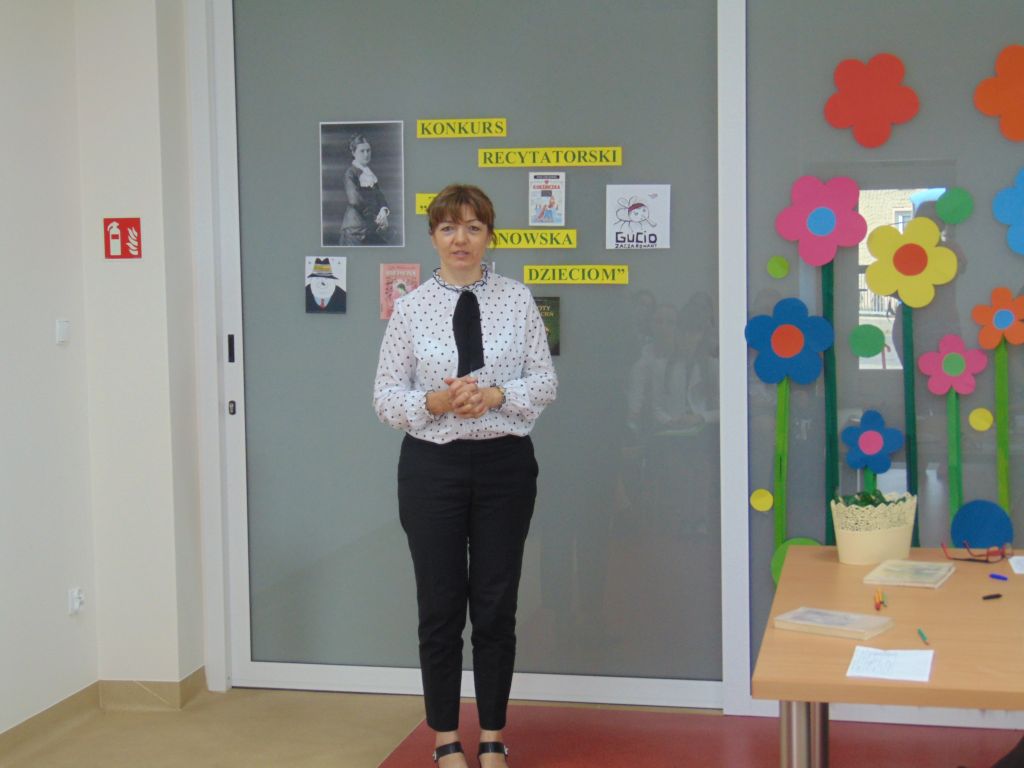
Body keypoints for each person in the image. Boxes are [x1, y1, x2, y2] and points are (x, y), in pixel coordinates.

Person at [373, 184, 558, 768]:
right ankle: (445, 738)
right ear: (433, 236)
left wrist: (494, 395)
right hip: (433, 469)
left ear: (489, 237)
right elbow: (385, 397)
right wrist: (436, 402)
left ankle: (494, 733)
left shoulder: (517, 299)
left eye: (474, 227)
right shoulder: (411, 308)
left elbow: (545, 382)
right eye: (449, 227)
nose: (461, 239)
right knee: (441, 606)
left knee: (497, 605)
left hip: (505, 466)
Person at [339, 133, 391, 245]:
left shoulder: (370, 174)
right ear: (353, 153)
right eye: (362, 151)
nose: (366, 154)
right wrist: (376, 218)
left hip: (370, 228)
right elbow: (355, 200)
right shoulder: (350, 173)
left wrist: (383, 211)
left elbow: (380, 196)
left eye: (368, 150)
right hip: (355, 230)